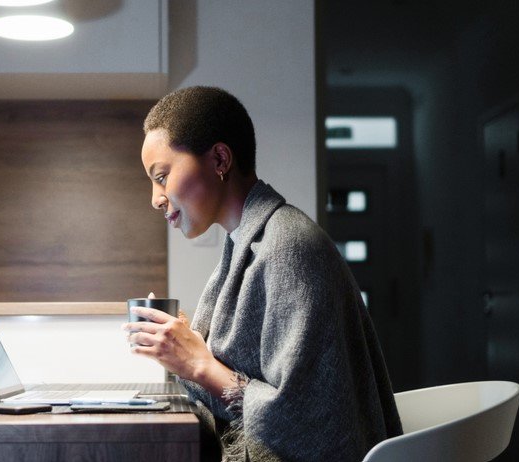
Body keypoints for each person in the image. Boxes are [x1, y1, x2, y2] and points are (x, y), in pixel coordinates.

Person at [123, 86, 402, 461]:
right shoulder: (245, 245)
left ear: (220, 159)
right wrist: (182, 351)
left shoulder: (288, 245)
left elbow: (311, 425)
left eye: (161, 176)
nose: (156, 198)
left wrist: (200, 364)